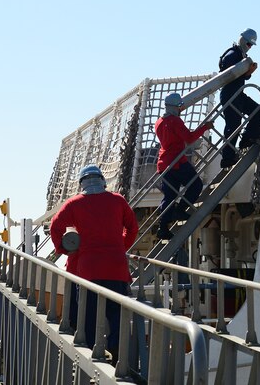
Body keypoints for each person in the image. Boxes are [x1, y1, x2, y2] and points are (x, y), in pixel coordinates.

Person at [50, 164, 138, 358]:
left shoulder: (74, 204)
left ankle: (90, 355)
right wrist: (121, 246)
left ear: (82, 184)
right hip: (116, 267)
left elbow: (55, 227)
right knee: (117, 315)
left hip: (88, 269)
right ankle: (117, 352)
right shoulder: (117, 200)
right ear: (102, 181)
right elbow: (132, 228)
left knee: (88, 315)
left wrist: (64, 249)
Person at [154, 92, 214, 240]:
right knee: (195, 185)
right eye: (180, 107)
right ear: (176, 107)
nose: (181, 110)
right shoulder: (175, 121)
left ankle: (163, 228)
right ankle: (180, 210)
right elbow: (189, 138)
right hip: (177, 162)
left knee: (170, 196)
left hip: (163, 164)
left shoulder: (159, 122)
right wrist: (204, 127)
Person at [218, 28, 260, 168]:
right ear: (243, 41)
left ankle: (247, 140)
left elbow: (236, 75)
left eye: (251, 45)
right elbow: (229, 75)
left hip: (237, 94)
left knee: (258, 111)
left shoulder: (238, 55)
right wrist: (248, 72)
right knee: (232, 127)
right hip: (231, 94)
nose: (249, 47)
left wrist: (247, 73)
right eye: (249, 44)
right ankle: (227, 158)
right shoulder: (232, 55)